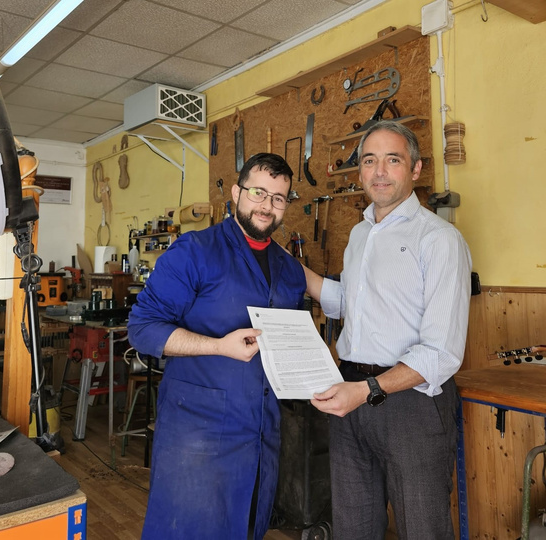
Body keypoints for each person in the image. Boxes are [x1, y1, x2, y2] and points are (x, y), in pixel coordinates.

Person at [303, 120, 472, 539]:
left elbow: (441, 352)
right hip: (350, 393)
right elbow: (353, 304)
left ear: (414, 170)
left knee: (421, 527)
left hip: (409, 405)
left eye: (392, 160)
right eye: (369, 161)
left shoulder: (440, 239)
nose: (379, 171)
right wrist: (294, 271)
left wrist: (368, 390)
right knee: (354, 526)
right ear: (359, 172)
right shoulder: (361, 234)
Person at [127, 153, 307, 539]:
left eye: (278, 198)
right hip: (198, 432)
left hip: (262, 431)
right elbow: (142, 328)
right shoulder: (194, 251)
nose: (267, 205)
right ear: (238, 192)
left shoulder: (290, 270)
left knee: (247, 527)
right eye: (258, 192)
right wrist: (217, 346)